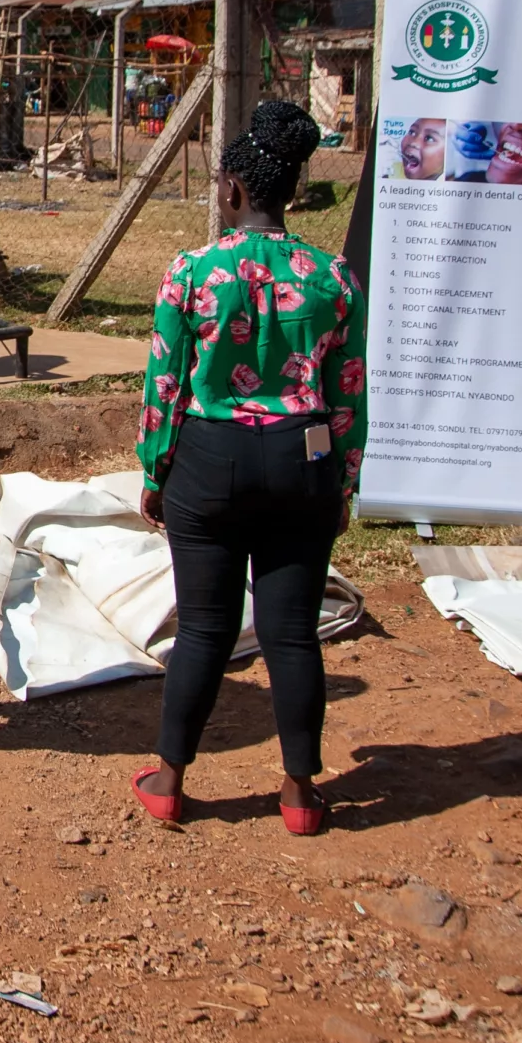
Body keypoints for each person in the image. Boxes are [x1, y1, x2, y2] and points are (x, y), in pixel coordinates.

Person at [130, 101, 365, 836]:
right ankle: (299, 794)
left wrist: (155, 471)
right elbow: (348, 392)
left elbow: (165, 383)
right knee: (291, 633)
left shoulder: (193, 271)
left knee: (205, 628)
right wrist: (343, 482)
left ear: (233, 188)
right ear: (291, 189)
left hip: (210, 460)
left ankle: (169, 782)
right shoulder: (333, 278)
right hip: (303, 460)